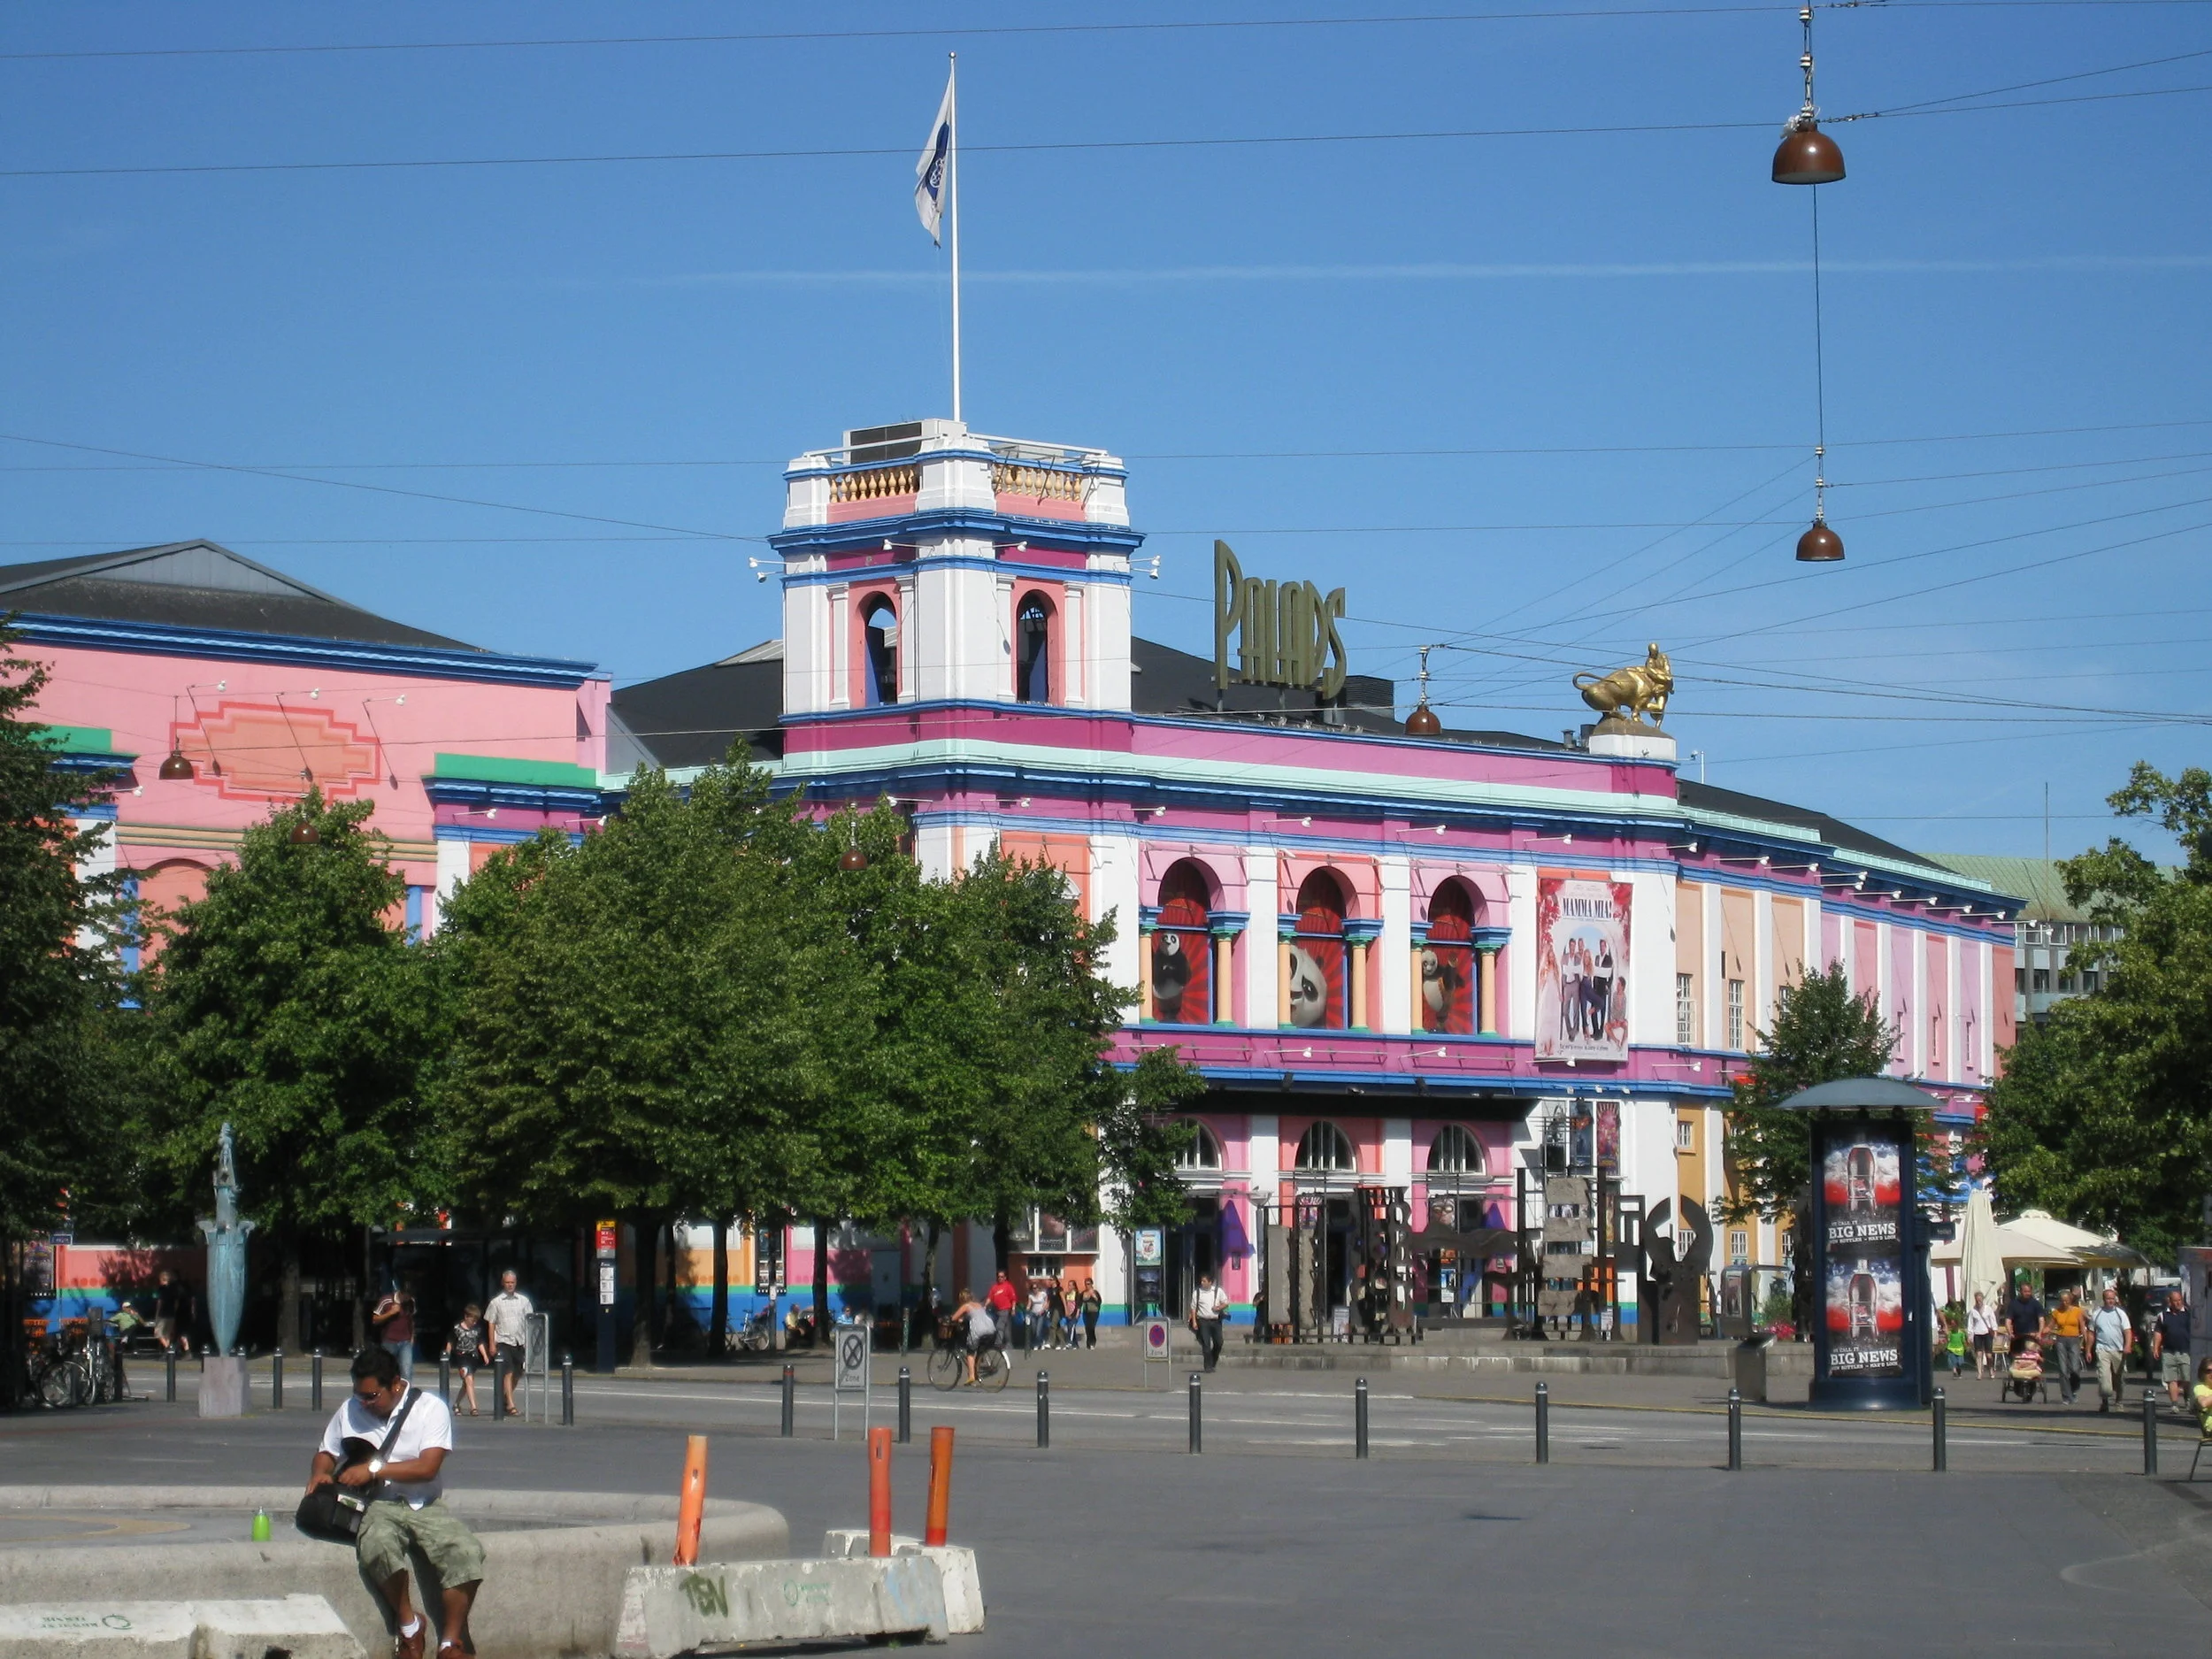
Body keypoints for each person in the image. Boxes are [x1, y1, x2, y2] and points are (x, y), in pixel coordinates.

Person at [307, 1346, 484, 1659]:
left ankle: (451, 1642)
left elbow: (428, 1466)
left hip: (424, 1501)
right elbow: (326, 1451)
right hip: (380, 1504)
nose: (365, 1403)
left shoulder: (430, 1409)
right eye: (360, 1396)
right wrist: (320, 1473)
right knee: (376, 1546)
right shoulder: (351, 1409)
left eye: (372, 1396)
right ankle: (410, 1626)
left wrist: (372, 1470)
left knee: (465, 1551)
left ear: (396, 1384)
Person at [485, 1271, 534, 1419]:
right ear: (503, 1283)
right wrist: (492, 1344)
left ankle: (506, 1398)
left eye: (512, 1282)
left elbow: (531, 1321)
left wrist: (530, 1343)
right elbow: (491, 1323)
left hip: (520, 1341)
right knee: (508, 1371)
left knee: (519, 1372)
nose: (510, 1285)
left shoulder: (524, 1300)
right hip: (504, 1341)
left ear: (516, 1283)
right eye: (507, 1282)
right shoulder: (496, 1302)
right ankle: (511, 1405)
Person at [2089, 1284, 2134, 1413]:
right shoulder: (2097, 1314)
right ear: (2104, 1299)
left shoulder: (2121, 1314)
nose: (2110, 1301)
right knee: (2104, 1379)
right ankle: (2105, 1402)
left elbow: (2127, 1331)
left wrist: (2127, 1346)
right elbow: (2091, 1333)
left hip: (2118, 1350)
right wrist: (2088, 1349)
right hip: (2102, 1349)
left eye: (2112, 1298)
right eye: (2108, 1298)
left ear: (2115, 1299)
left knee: (2118, 1378)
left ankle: (2119, 1401)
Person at [443, 1304, 492, 1417]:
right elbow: (450, 1342)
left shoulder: (477, 1330)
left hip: (473, 1357)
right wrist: (447, 1356)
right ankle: (473, 1407)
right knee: (469, 1380)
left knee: (466, 1384)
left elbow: (479, 1342)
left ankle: (456, 1404)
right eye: (472, 1320)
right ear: (466, 1317)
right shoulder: (457, 1328)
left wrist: (484, 1355)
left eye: (476, 1321)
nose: (474, 1323)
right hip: (461, 1357)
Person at [372, 1281, 419, 1385]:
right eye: (406, 1295)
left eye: (410, 1296)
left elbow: (411, 1321)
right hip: (389, 1341)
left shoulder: (411, 1302)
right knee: (387, 1370)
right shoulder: (387, 1300)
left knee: (406, 1371)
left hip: (405, 1341)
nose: (408, 1298)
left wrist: (412, 1338)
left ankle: (405, 1396)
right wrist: (390, 1313)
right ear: (401, 1293)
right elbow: (375, 1319)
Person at [2154, 1288, 2193, 1409]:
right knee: (2172, 1379)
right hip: (2168, 1351)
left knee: (2187, 1378)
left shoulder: (2188, 1314)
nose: (2178, 1303)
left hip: (2185, 1351)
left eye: (2179, 1300)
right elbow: (2158, 1332)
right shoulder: (2163, 1315)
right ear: (2169, 1301)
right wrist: (2156, 1348)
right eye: (2175, 1301)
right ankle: (2174, 1404)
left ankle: (2187, 1398)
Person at [2047, 1288, 2086, 1404]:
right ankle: (2066, 1395)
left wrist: (2085, 1340)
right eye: (2062, 1301)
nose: (2064, 1303)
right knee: (2063, 1369)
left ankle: (2073, 1390)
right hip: (2061, 1340)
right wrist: (2043, 1332)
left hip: (2074, 1339)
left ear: (2070, 1300)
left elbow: (2082, 1326)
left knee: (2074, 1368)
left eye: (2066, 1301)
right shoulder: (2056, 1312)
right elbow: (2050, 1326)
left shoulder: (2077, 1311)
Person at [950, 1286, 997, 1386]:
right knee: (980, 1350)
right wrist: (962, 1320)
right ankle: (978, 1367)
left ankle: (971, 1376)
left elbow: (954, 1318)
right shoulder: (978, 1305)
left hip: (979, 1331)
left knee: (970, 1353)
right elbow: (974, 1317)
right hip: (991, 1329)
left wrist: (950, 1319)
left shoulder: (966, 1306)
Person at [1190, 1273, 1229, 1373]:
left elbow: (1226, 1302)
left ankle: (1213, 1361)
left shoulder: (1217, 1291)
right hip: (1203, 1321)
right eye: (1201, 1281)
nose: (1202, 1283)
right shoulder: (1197, 1292)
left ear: (1210, 1282)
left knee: (1219, 1343)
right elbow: (1193, 1308)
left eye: (1204, 1281)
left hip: (1216, 1321)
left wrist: (1218, 1308)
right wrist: (1194, 1321)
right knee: (1206, 1345)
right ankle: (1208, 1367)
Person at [153, 1270, 188, 1357]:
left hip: (162, 1314)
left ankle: (168, 1348)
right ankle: (168, 1353)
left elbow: (160, 1302)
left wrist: (157, 1313)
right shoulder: (174, 1290)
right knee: (167, 1334)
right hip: (171, 1314)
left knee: (158, 1333)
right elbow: (176, 1303)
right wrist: (174, 1311)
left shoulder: (162, 1289)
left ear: (162, 1279)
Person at [986, 1271, 1018, 1353]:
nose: (1000, 1278)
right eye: (999, 1277)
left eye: (1002, 1277)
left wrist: (1013, 1309)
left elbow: (1013, 1299)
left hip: (1006, 1310)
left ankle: (998, 1344)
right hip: (997, 1311)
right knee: (1006, 1328)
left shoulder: (1008, 1286)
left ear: (1005, 1277)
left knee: (999, 1326)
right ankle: (1009, 1344)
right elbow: (990, 1297)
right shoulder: (994, 1287)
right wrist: (985, 1305)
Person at [1966, 1292, 1996, 1379]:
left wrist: (1995, 1331)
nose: (1978, 1301)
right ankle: (1980, 1373)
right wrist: (1970, 1335)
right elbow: (1970, 1324)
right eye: (1977, 1299)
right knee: (1979, 1354)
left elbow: (1993, 1320)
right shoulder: (1973, 1311)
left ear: (1982, 1299)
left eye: (1980, 1299)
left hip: (1987, 1333)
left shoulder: (1988, 1309)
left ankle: (1991, 1370)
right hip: (1977, 1333)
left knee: (1989, 1355)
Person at [1025, 1281, 1051, 1353]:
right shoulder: (1031, 1295)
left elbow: (1046, 1303)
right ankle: (1039, 1341)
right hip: (1033, 1314)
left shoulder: (1043, 1294)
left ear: (1038, 1288)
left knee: (1038, 1330)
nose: (1035, 1290)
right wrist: (1027, 1309)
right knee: (1033, 1330)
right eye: (1033, 1288)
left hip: (1041, 1314)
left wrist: (1043, 1310)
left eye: (1036, 1288)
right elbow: (1029, 1304)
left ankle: (1039, 1343)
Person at [1944, 1310, 1967, 1379]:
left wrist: (1965, 1347)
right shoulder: (1950, 1333)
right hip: (1952, 1349)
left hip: (1959, 1350)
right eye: (1951, 1324)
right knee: (1953, 1362)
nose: (1952, 1326)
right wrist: (1946, 1347)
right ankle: (1954, 1372)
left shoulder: (1961, 1333)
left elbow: (1963, 1341)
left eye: (1954, 1324)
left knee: (1959, 1363)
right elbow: (1948, 1340)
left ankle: (1959, 1373)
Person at [1080, 1280, 1102, 1350]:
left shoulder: (1095, 1292)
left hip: (1094, 1312)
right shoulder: (1084, 1293)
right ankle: (1088, 1344)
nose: (1087, 1286)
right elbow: (1080, 1301)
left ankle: (1092, 1342)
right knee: (1087, 1328)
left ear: (1092, 1284)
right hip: (1086, 1312)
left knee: (1091, 1327)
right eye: (1086, 1284)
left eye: (1089, 1284)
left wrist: (1094, 1296)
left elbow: (1099, 1301)